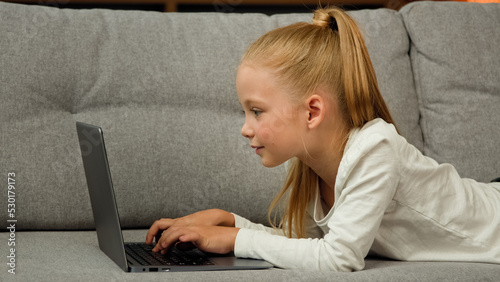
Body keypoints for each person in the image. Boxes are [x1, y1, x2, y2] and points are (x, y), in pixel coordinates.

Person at [145, 6, 500, 271]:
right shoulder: (313, 160)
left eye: (256, 111)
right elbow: (307, 245)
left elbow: (339, 257)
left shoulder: (376, 148)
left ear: (312, 112)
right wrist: (230, 222)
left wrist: (237, 240)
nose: (245, 128)